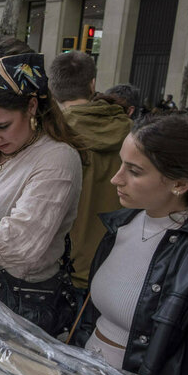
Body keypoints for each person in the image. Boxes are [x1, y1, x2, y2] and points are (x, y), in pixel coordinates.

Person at [71, 112, 188, 375]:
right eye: (121, 164)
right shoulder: (119, 226)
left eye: (134, 171)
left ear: (179, 183)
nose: (116, 179)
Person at [0, 53, 83, 335]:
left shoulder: (58, 158)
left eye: (2, 126)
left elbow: (21, 238)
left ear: (31, 106)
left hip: (20, 303)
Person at [48, 51, 131, 303]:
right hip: (117, 261)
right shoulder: (132, 133)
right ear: (92, 84)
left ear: (52, 87)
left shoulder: (52, 136)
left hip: (64, 265)